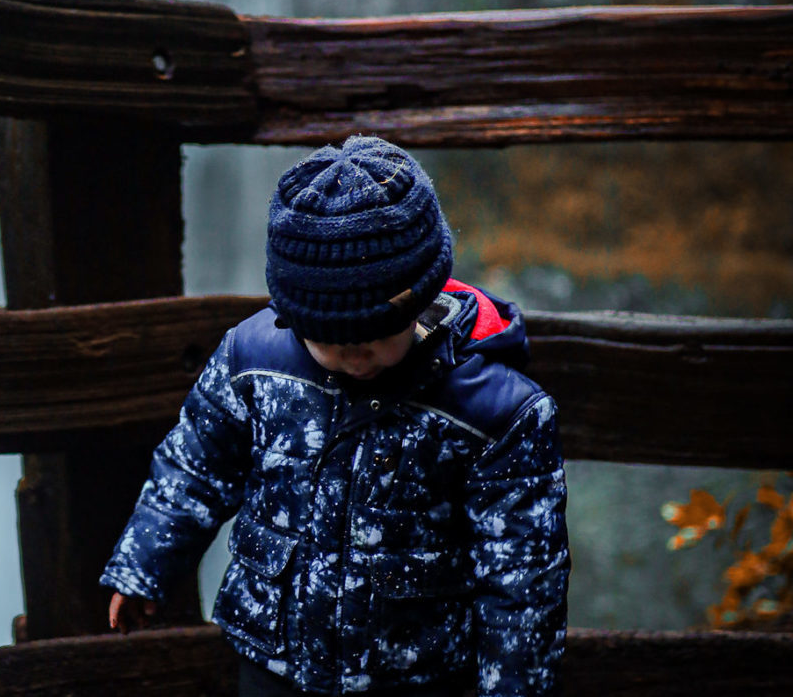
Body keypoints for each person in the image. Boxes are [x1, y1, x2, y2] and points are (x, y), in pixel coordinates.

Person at [100, 136, 569, 696]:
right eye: (328, 341)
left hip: (417, 674)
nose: (353, 357)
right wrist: (143, 565)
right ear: (290, 313)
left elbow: (521, 577)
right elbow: (194, 467)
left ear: (421, 301)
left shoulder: (494, 411)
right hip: (273, 659)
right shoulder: (252, 361)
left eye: (372, 339)